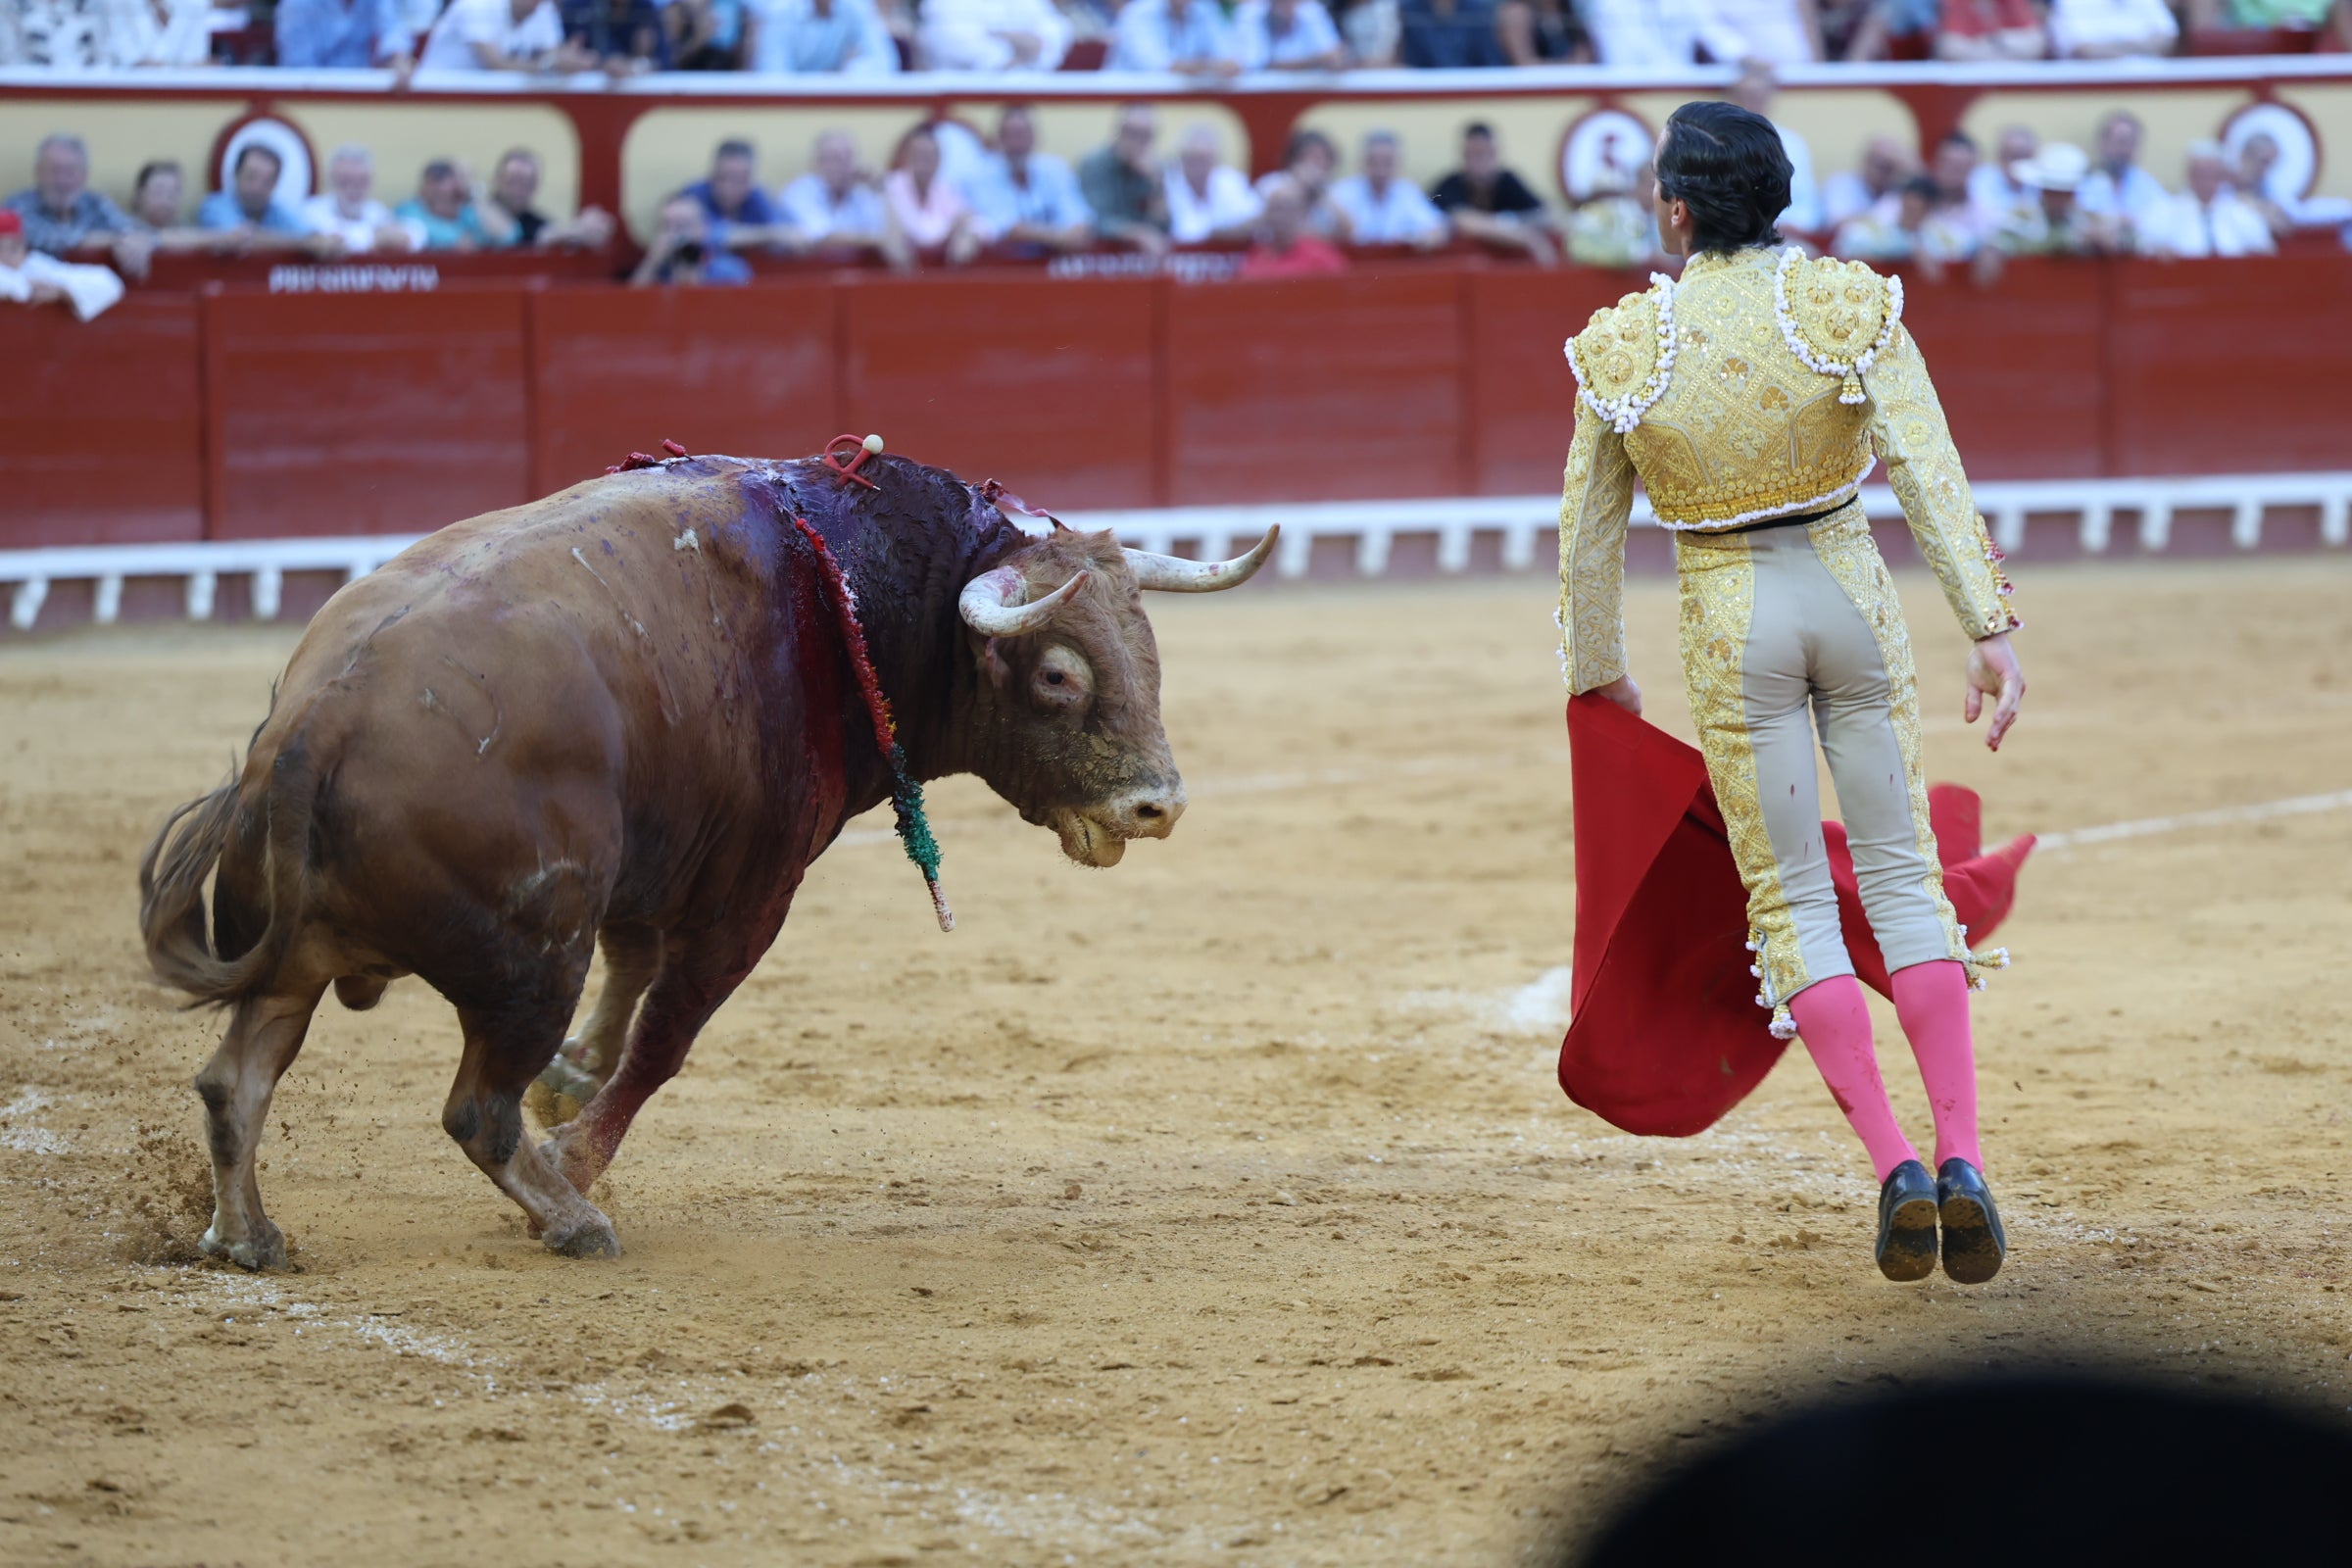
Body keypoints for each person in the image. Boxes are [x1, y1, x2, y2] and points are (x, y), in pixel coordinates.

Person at [1557, 100, 2024, 1285]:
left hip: (1730, 616)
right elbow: (1927, 465)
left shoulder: (1624, 344)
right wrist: (1987, 627)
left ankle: (1895, 1164)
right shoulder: (1845, 303)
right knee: (1905, 880)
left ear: (1676, 210)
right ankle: (1964, 1157)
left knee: (1792, 901)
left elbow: (1588, 538)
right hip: (1848, 590)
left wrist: (1598, 675)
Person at [4, 133, 152, 280]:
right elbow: (52, 239)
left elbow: (134, 231)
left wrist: (137, 239)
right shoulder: (17, 207)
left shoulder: (96, 203)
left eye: (71, 171)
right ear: (39, 172)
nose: (62, 181)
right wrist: (113, 241)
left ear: (84, 175)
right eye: (55, 171)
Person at [961, 104, 1093, 253]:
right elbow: (1006, 227)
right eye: (1011, 135)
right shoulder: (980, 174)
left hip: (1054, 261)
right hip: (1003, 262)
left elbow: (1078, 220)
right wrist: (1059, 237)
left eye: (1023, 134)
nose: (1017, 143)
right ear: (999, 140)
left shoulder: (1055, 169)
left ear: (1036, 137)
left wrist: (1069, 234)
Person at [1431, 122, 1556, 265]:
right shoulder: (1449, 185)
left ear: (1495, 153)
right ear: (1463, 155)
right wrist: (1527, 237)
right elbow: (1464, 221)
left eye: (1486, 153)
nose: (1480, 160)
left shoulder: (1508, 181)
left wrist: (1509, 222)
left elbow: (1548, 216)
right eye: (1474, 154)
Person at [2142, 140, 2276, 259]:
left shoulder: (2241, 212)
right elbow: (2148, 247)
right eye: (2201, 174)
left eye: (2213, 175)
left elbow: (2263, 251)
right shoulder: (2165, 211)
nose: (2206, 181)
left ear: (2221, 177)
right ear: (2189, 175)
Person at [1729, 64, 1821, 233]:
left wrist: (1789, 226)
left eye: (1759, 97)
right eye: (1747, 96)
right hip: (1736, 235)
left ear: (1770, 98)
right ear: (1735, 98)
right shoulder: (1721, 143)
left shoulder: (1793, 144)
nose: (1752, 104)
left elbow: (1808, 204)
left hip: (1787, 233)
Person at [475, 147, 617, 248]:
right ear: (496, 179)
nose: (519, 190)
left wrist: (585, 231)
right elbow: (512, 238)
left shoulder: (535, 221)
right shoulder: (474, 211)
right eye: (513, 180)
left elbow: (541, 234)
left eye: (527, 183)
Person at [777, 131, 891, 257]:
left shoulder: (863, 193)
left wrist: (880, 188)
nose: (842, 165)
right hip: (813, 266)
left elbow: (888, 235)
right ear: (815, 164)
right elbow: (824, 237)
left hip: (859, 266)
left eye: (848, 157)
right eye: (834, 159)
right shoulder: (799, 191)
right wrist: (876, 241)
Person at [0, 208, 124, 320]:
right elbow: (11, 286)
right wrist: (26, 287)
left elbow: (109, 282)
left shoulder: (37, 265)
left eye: (13, 248)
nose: (5, 255)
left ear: (23, 244)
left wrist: (63, 292)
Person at [1327, 129, 1446, 246]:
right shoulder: (1341, 192)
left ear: (1398, 163)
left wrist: (1427, 237)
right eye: (1374, 162)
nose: (1380, 171)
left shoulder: (1407, 191)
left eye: (1387, 163)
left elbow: (1435, 226)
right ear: (1362, 162)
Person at [883, 123, 980, 268]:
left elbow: (970, 220)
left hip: (941, 268)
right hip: (901, 270)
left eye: (929, 156)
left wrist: (962, 229)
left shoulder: (946, 190)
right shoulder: (891, 186)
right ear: (907, 158)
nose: (924, 162)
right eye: (919, 155)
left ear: (939, 160)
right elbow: (919, 231)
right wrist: (951, 227)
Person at [1081, 104, 1171, 255]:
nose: (1139, 142)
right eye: (1132, 134)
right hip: (1101, 255)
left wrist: (1156, 186)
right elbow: (1096, 220)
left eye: (1146, 136)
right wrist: (1138, 234)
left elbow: (1164, 227)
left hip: (1141, 258)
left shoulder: (1156, 167)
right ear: (1117, 133)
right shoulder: (1095, 164)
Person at [298, 145, 423, 254]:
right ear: (330, 181)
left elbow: (416, 234)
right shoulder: (311, 212)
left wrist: (398, 236)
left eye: (361, 181)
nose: (353, 188)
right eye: (345, 181)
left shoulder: (375, 210)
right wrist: (374, 238)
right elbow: (335, 243)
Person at [2076, 110, 2170, 253]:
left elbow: (2163, 226)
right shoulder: (2083, 183)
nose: (2124, 150)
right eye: (2120, 142)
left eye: (2131, 143)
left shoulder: (2147, 185)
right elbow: (2078, 223)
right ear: (2102, 143)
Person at [684, 140, 796, 253]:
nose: (728, 188)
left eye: (739, 179)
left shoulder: (757, 196)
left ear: (751, 179)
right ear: (712, 173)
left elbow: (787, 232)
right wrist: (768, 235)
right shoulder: (692, 197)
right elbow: (710, 236)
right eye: (722, 177)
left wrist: (777, 235)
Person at [416, 0, 594, 71]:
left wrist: (570, 59)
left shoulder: (543, 10)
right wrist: (550, 64)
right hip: (438, 96)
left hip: (491, 102)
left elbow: (553, 55)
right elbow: (495, 63)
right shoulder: (475, 5)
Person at [196, 145, 317, 248]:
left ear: (275, 184)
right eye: (251, 177)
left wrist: (310, 240)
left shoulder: (278, 211)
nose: (257, 188)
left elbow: (314, 239)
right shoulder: (215, 206)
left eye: (267, 181)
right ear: (236, 174)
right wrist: (300, 242)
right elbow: (241, 238)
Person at [1993, 140, 2099, 256]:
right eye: (2054, 192)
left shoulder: (2090, 219)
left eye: (2066, 192)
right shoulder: (2020, 218)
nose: (2060, 199)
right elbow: (1998, 245)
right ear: (2043, 191)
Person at [1162, 125, 1261, 245]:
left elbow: (1255, 219)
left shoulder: (1231, 181)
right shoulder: (1167, 186)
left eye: (1203, 159)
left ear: (1215, 161)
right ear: (1181, 159)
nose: (1197, 166)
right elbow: (1181, 233)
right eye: (1191, 158)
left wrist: (1220, 234)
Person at [630, 192, 753, 286]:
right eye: (666, 227)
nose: (673, 235)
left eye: (682, 226)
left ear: (702, 230)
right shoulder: (658, 271)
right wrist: (651, 263)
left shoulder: (728, 269)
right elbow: (631, 303)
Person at [1580, 0, 1752, 64]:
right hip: (1633, 91)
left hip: (1682, 89)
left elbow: (1717, 37)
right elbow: (1618, 61)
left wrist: (1746, 59)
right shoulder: (1609, 5)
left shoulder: (1686, 2)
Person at [747, 0, 900, 73]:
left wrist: (847, 76)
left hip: (835, 103)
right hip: (791, 107)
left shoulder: (856, 7)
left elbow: (884, 62)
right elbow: (773, 73)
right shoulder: (780, 11)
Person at [1240, 174, 1348, 276]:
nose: (1280, 216)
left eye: (1287, 209)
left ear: (1302, 212)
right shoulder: (1258, 251)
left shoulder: (1321, 254)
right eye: (1275, 209)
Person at [918, 0, 1068, 69]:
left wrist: (1004, 36)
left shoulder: (1030, 3)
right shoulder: (944, 3)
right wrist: (1015, 54)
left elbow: (1053, 33)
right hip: (963, 96)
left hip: (1026, 93)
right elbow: (952, 42)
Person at [1105, 0, 1245, 74]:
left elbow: (1230, 58)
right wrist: (1208, 67)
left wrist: (1219, 65)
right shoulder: (1137, 13)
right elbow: (1155, 65)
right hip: (1127, 98)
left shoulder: (1205, 10)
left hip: (1183, 101)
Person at [1253, 128, 1345, 238]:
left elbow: (1347, 231)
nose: (1320, 163)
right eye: (1313, 157)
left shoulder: (1334, 190)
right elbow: (1271, 221)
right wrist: (1300, 185)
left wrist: (1319, 192)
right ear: (1295, 159)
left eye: (1324, 157)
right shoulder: (1271, 183)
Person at [273, 0, 416, 70]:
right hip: (310, 100)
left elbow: (392, 27)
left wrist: (397, 57)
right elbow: (298, 69)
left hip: (360, 97)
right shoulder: (296, 5)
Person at [394, 159, 493, 250]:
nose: (455, 201)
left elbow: (497, 236)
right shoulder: (408, 210)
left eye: (457, 195)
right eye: (453, 194)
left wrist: (473, 193)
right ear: (426, 188)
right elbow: (424, 231)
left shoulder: (466, 211)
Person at [1820, 134, 1911, 229]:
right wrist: (1880, 218)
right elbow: (1838, 225)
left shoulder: (1897, 192)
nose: (1883, 172)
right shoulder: (1841, 184)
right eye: (1880, 165)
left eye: (1890, 167)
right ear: (1866, 161)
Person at [559, 0, 668, 70]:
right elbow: (558, 51)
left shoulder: (645, 8)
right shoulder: (577, 6)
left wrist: (637, 65)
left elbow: (664, 60)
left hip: (632, 91)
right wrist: (564, 58)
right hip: (584, 90)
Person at [1967, 123, 2038, 228]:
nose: (2019, 163)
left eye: (2025, 157)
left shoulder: (2041, 183)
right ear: (1999, 157)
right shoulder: (1980, 179)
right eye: (2014, 156)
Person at [1236, 0, 1347, 65]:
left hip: (1307, 88)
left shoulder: (1311, 10)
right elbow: (1255, 63)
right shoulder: (1251, 12)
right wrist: (1315, 61)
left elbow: (1333, 58)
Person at [1397, 0, 1508, 64]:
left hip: (1472, 89)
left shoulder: (1479, 11)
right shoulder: (1408, 11)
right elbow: (1408, 62)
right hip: (1424, 90)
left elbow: (1491, 62)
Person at [2048, 0, 2177, 53]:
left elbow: (2166, 38)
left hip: (2148, 83)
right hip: (2088, 87)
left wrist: (2114, 47)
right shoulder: (2070, 3)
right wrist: (2136, 46)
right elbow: (2082, 49)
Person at [1936, 0, 2045, 56]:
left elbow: (2035, 43)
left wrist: (1998, 41)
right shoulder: (1959, 2)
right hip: (1969, 74)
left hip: (2013, 74)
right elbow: (1950, 47)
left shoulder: (2013, 2)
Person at [665, 0, 747, 65]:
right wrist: (699, 38)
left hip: (719, 68)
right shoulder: (676, 12)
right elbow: (670, 61)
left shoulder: (729, 7)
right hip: (684, 74)